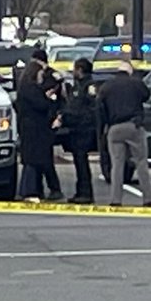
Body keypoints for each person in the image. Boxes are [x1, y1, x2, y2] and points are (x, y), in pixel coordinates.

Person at [97, 61, 151, 207]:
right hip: (133, 126)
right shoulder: (136, 83)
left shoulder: (106, 86)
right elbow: (146, 95)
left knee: (117, 165)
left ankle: (115, 199)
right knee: (141, 162)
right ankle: (149, 198)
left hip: (114, 129)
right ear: (130, 71)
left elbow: (100, 106)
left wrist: (105, 127)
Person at [15, 60, 64, 202]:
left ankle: (34, 190)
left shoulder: (24, 88)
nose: (41, 77)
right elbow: (42, 105)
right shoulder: (31, 90)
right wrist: (49, 98)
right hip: (36, 130)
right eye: (41, 74)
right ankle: (32, 190)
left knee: (33, 161)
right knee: (37, 160)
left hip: (28, 129)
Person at [59, 57, 98, 203]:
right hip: (75, 129)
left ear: (80, 70)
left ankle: (86, 193)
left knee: (82, 162)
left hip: (84, 129)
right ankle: (80, 192)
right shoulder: (77, 86)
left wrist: (79, 120)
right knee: (78, 161)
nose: (73, 71)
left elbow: (90, 108)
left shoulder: (89, 86)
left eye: (75, 69)